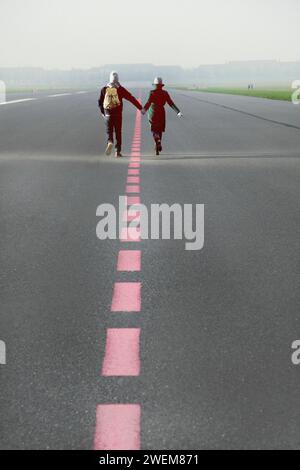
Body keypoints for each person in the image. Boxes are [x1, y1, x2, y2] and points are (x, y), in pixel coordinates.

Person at [98, 71, 142, 157]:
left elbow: (100, 102)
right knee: (118, 132)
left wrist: (103, 112)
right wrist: (140, 108)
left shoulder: (104, 89)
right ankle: (117, 151)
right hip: (118, 115)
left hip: (108, 115)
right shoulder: (120, 89)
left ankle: (110, 141)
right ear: (117, 80)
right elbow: (131, 98)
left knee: (109, 131)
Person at [142, 77, 182, 155]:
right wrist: (178, 112)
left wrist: (144, 110)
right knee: (160, 129)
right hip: (161, 113)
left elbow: (148, 102)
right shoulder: (165, 93)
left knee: (154, 129)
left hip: (152, 112)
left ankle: (157, 140)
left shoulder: (152, 92)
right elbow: (171, 103)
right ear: (161, 85)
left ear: (155, 85)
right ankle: (158, 142)